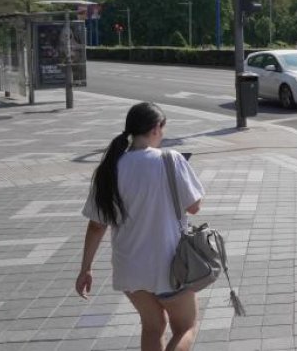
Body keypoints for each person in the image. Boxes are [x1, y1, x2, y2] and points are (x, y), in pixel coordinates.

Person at [76, 102, 205, 351]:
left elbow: (96, 225)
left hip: (129, 270)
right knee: (185, 327)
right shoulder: (171, 159)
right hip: (169, 266)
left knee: (153, 326)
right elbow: (194, 206)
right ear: (157, 128)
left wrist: (86, 269)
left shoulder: (109, 169)